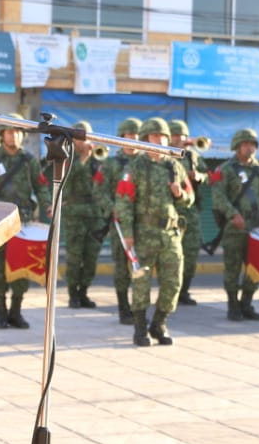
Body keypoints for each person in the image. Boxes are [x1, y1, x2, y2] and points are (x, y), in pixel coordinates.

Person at [114, 118, 191, 346]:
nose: (160, 141)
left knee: (173, 282)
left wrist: (180, 195)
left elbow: (190, 198)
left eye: (163, 137)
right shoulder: (135, 166)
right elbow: (123, 202)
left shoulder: (174, 166)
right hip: (143, 233)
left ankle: (159, 324)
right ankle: (139, 329)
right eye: (155, 137)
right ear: (146, 139)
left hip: (170, 234)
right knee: (141, 282)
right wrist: (127, 234)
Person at [0, 113, 51, 329]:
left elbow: (40, 186)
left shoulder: (29, 161)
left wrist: (48, 204)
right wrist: (4, 208)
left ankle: (16, 312)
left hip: (22, 223)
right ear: (2, 135)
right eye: (10, 132)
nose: (14, 136)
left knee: (21, 267)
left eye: (18, 131)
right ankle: (0, 312)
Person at [211, 128, 259, 322]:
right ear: (237, 147)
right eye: (246, 144)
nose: (250, 148)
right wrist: (233, 214)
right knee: (232, 266)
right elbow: (218, 196)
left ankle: (246, 303)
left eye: (253, 145)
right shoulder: (224, 169)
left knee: (256, 267)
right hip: (234, 226)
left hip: (256, 225)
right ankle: (233, 305)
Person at [61, 121, 109, 309]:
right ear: (74, 139)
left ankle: (84, 292)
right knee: (74, 257)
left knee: (91, 257)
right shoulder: (66, 157)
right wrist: (83, 158)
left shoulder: (97, 160)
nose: (84, 141)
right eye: (80, 137)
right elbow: (68, 179)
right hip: (75, 215)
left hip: (94, 214)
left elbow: (103, 184)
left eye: (87, 136)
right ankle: (73, 294)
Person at [105, 118, 141, 324]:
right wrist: (113, 208)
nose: (133, 138)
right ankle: (123, 308)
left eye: (136, 134)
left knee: (140, 265)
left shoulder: (145, 163)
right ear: (122, 138)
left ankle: (139, 307)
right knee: (121, 267)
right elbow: (99, 191)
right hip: (119, 222)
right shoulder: (111, 164)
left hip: (142, 223)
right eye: (129, 134)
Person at [169, 119, 208, 306]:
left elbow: (207, 176)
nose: (180, 139)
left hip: (191, 211)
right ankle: (170, 291)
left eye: (182, 135)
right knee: (171, 256)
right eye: (176, 135)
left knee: (191, 253)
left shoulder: (193, 156)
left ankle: (184, 291)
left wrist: (198, 176)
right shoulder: (164, 154)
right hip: (172, 211)